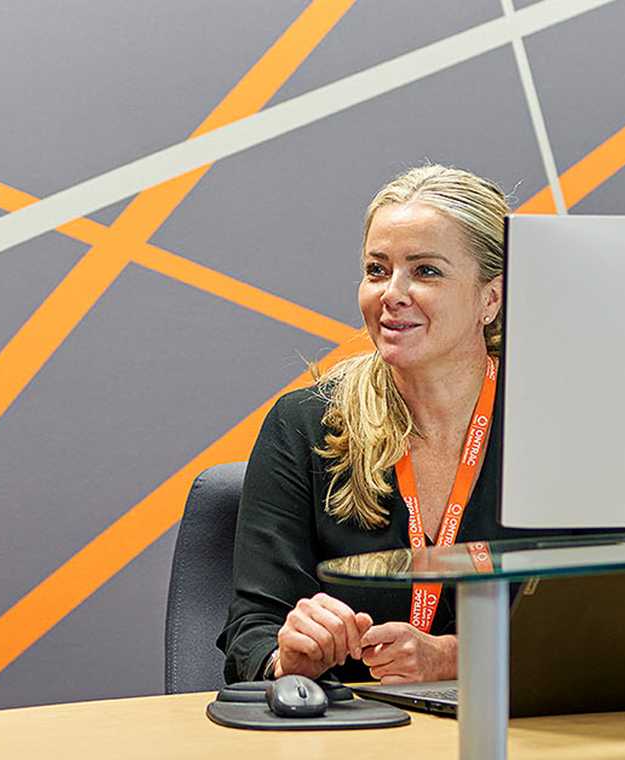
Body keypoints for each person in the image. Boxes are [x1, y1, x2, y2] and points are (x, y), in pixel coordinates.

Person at [220, 164, 554, 686]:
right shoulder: (306, 425)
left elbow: (613, 625)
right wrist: (288, 660)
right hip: (356, 730)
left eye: (425, 272)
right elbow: (252, 630)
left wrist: (457, 658)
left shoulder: (559, 424)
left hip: (532, 732)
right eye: (377, 270)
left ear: (490, 298)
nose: (391, 293)